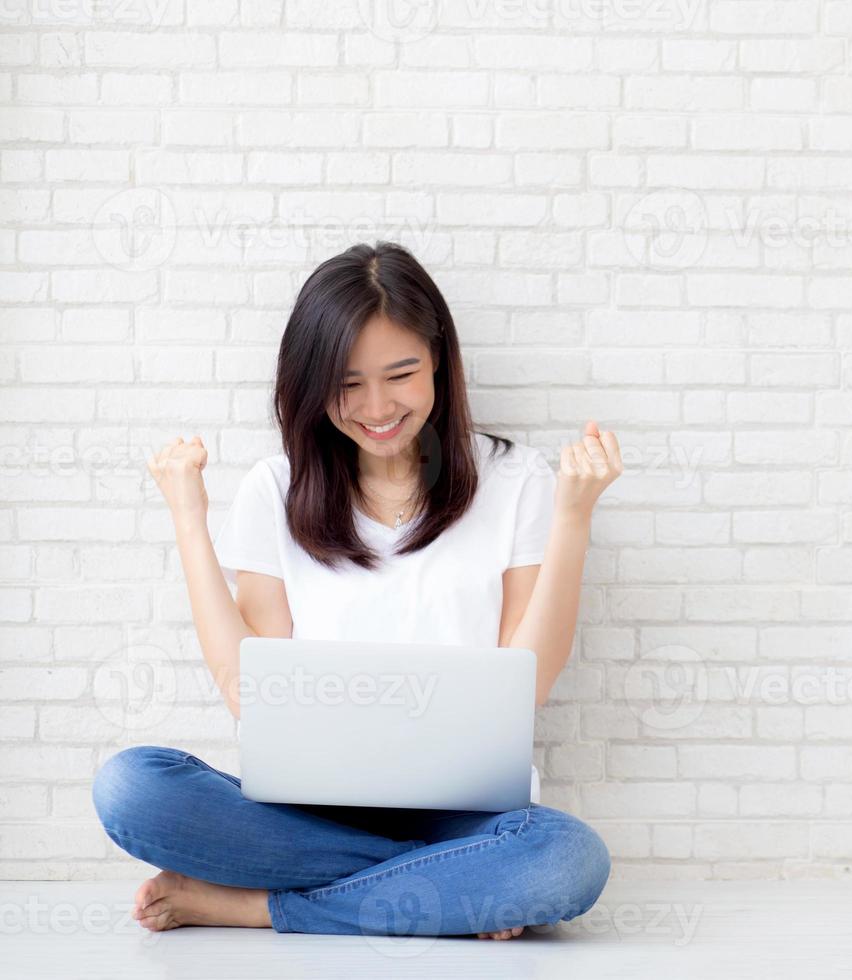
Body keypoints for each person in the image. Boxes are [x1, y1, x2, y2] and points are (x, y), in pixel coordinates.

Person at [90, 241, 622, 939]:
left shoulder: (518, 480)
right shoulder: (273, 488)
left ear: (438, 360)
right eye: (347, 384)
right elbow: (247, 692)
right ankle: (446, 884)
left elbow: (529, 683)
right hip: (307, 811)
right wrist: (189, 518)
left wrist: (572, 519)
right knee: (131, 788)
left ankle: (257, 905)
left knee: (564, 862)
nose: (376, 407)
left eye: (400, 374)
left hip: (465, 813)